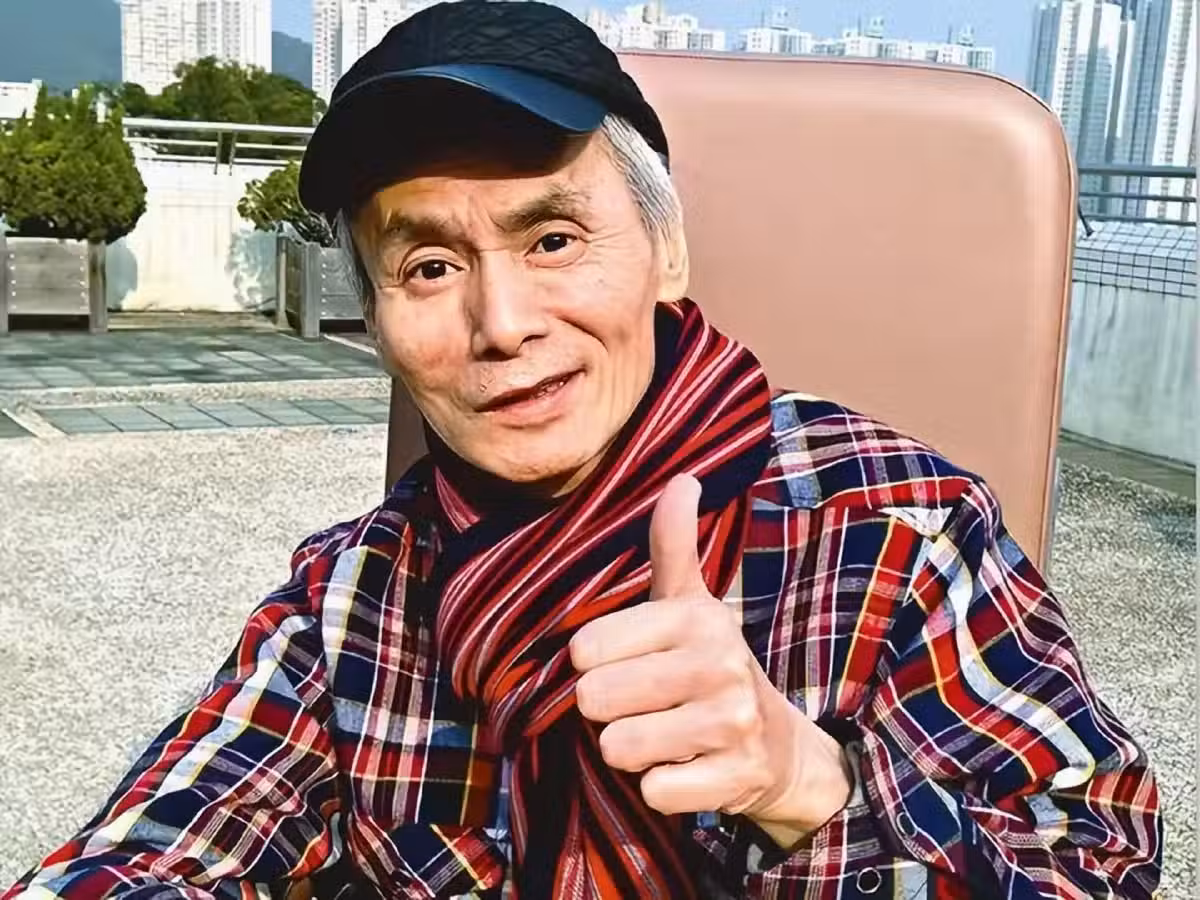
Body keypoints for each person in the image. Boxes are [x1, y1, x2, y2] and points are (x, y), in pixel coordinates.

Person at [4, 2, 1161, 898]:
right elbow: (161, 846)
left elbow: (1091, 859)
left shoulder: (896, 531)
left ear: (666, 257)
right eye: (429, 267)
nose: (502, 324)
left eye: (554, 239)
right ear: (380, 322)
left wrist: (806, 782)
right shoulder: (355, 596)